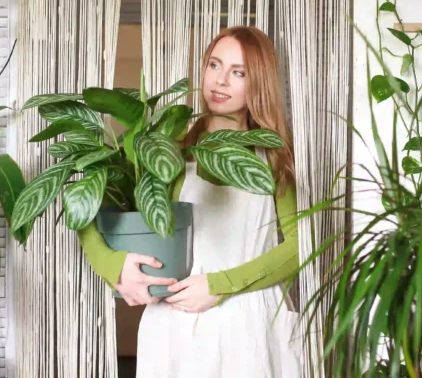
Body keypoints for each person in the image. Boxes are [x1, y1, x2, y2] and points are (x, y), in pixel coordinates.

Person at [77, 26, 303, 377]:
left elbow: (300, 247)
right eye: (214, 65)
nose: (221, 80)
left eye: (238, 72)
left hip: (249, 324)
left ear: (258, 82)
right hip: (175, 324)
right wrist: (115, 268)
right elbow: (86, 213)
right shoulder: (168, 149)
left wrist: (218, 285)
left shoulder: (273, 158)